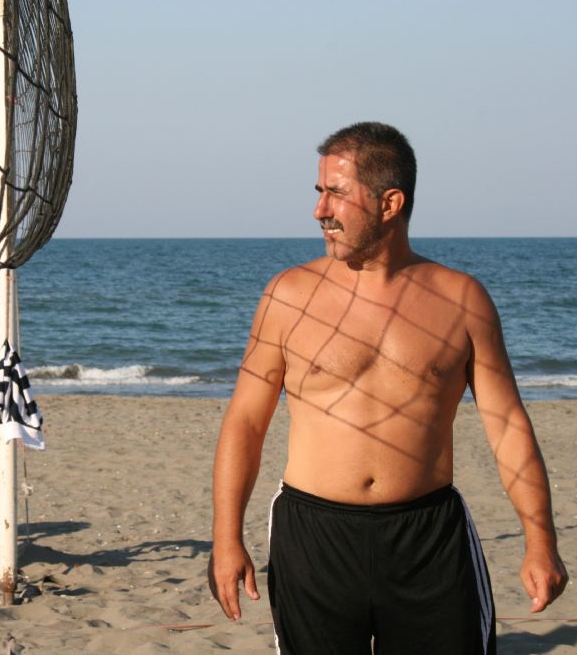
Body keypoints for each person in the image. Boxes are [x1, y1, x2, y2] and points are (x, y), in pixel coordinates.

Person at [209, 122, 568, 653]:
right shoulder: (288, 296)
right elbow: (245, 420)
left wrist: (541, 541)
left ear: (390, 203)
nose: (319, 211)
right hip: (314, 536)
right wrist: (225, 538)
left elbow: (508, 426)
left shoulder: (461, 300)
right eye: (318, 193)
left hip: (428, 537)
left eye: (336, 193)